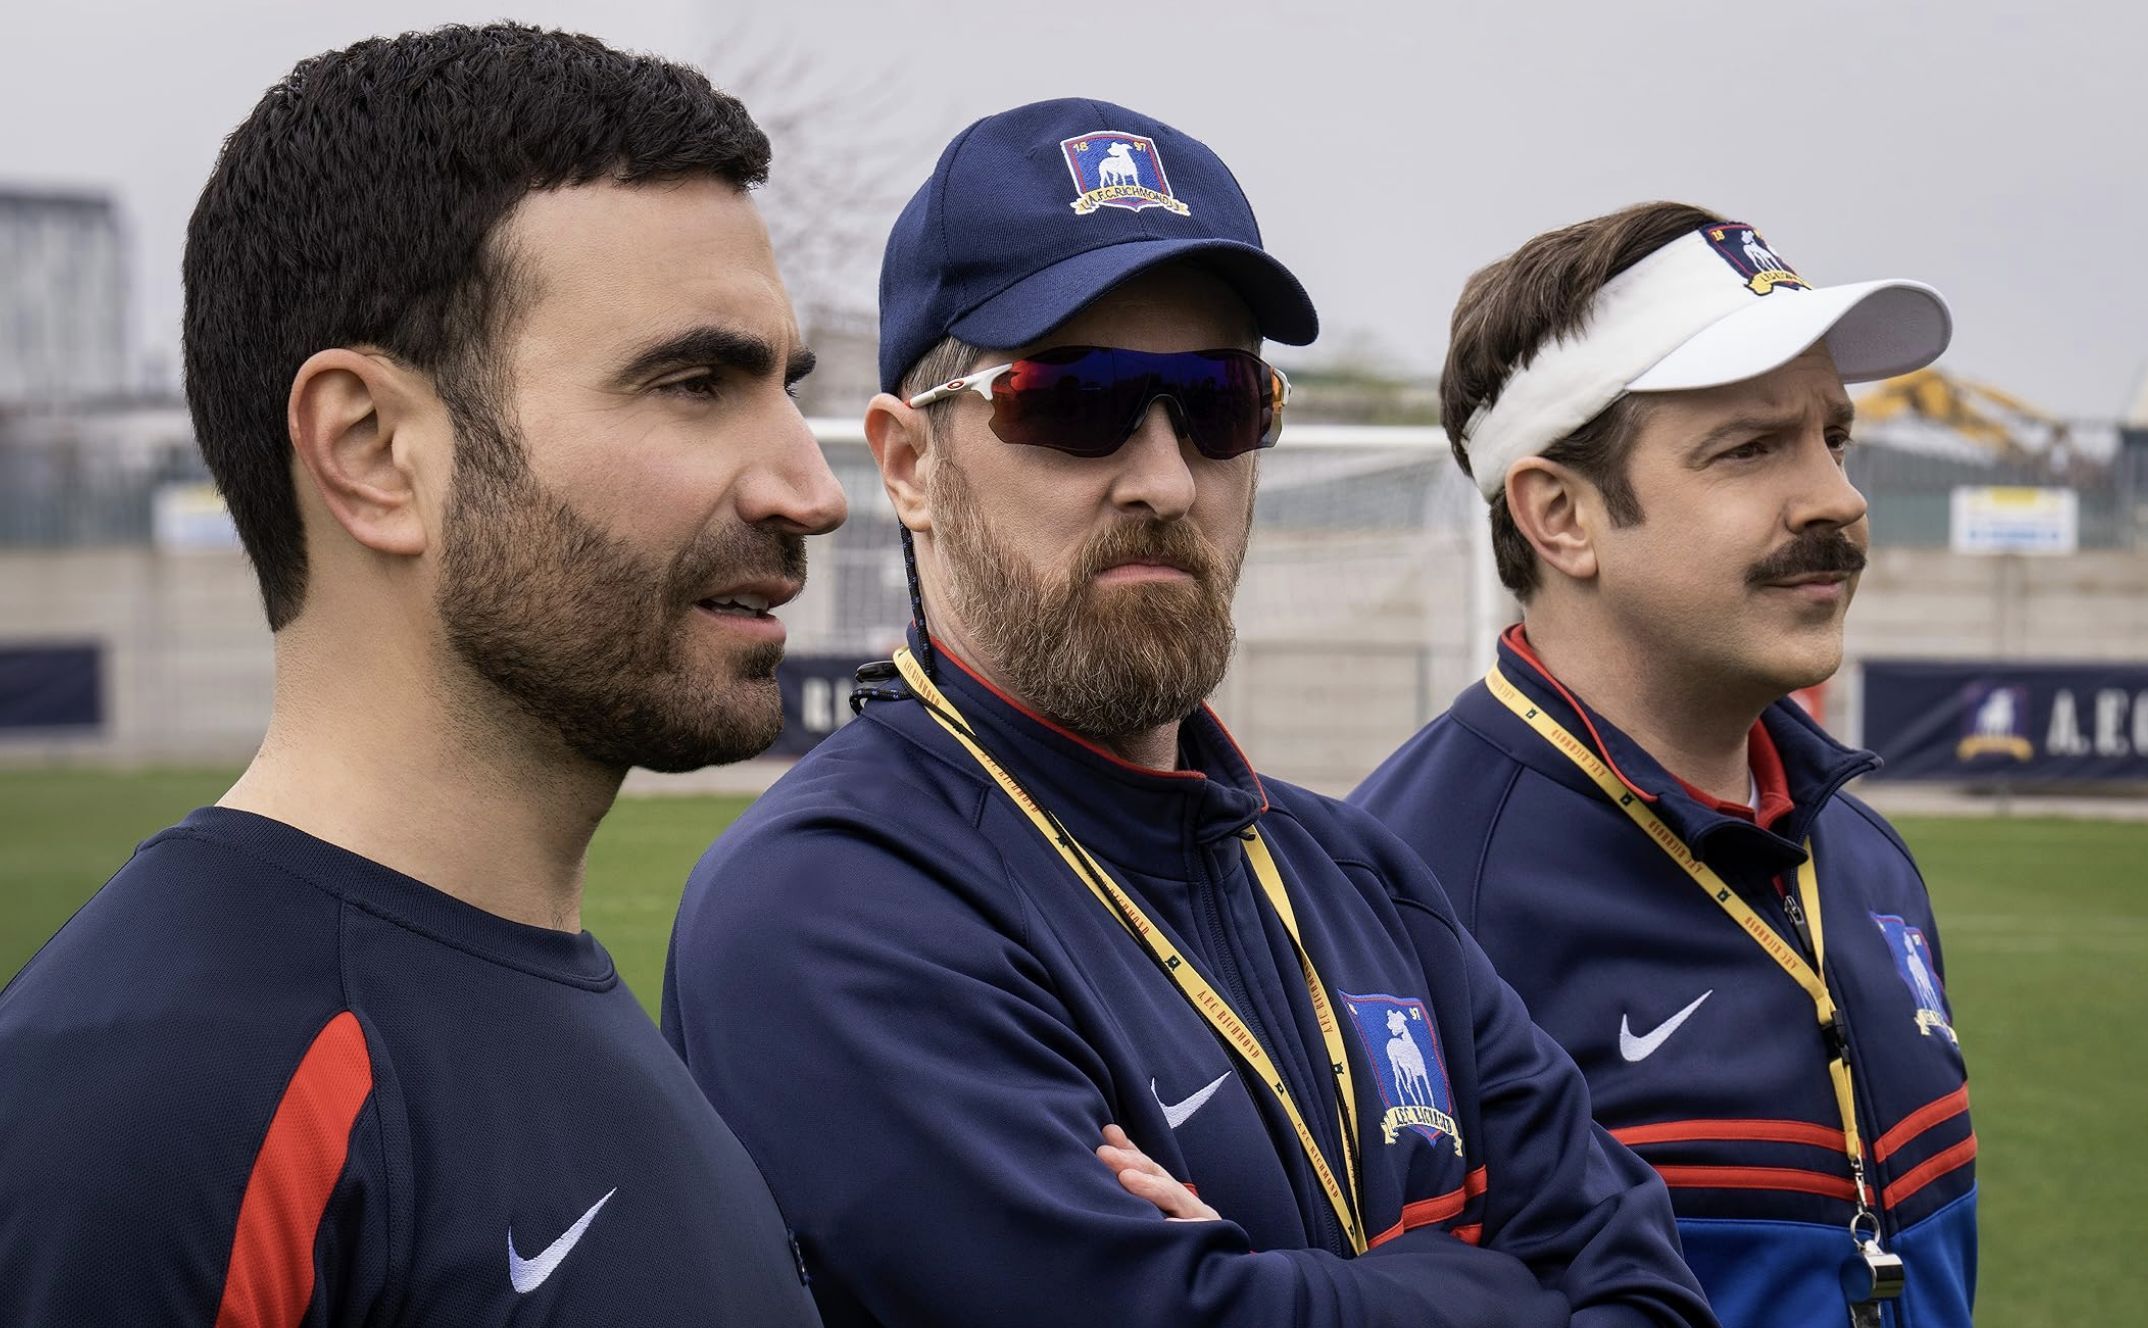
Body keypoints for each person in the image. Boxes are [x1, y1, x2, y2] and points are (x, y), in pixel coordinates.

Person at [662, 99, 1714, 1328]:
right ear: (907, 464)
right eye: (1075, 400)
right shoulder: (829, 904)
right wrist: (1491, 1282)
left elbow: (1653, 1293)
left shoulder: (1363, 878)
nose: (1164, 479)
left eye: (1218, 403)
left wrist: (1279, 1291)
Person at [0, 24, 845, 1324]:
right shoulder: (157, 1110)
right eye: (692, 383)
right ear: (374, 451)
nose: (812, 488)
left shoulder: (557, 999)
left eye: (784, 387)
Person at [1351, 203, 1974, 1328]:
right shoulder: (1396, 899)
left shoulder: (1864, 854)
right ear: (1561, 515)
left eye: (1832, 437)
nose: (1837, 497)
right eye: (1748, 448)